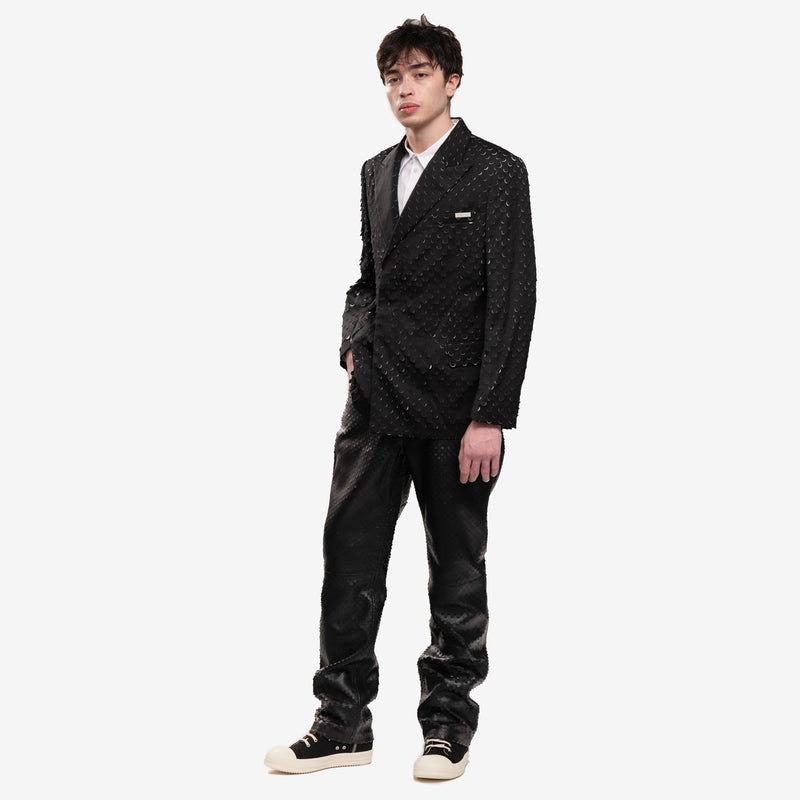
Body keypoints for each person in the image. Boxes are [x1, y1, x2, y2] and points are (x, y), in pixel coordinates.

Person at [264, 15, 536, 781]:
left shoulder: (496, 171)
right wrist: (353, 343)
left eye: (419, 74)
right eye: (393, 78)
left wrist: (491, 415)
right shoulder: (374, 171)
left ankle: (446, 727)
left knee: (456, 572)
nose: (404, 89)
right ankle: (341, 722)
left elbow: (513, 299)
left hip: (458, 410)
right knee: (347, 561)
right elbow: (367, 279)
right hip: (374, 401)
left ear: (452, 81)